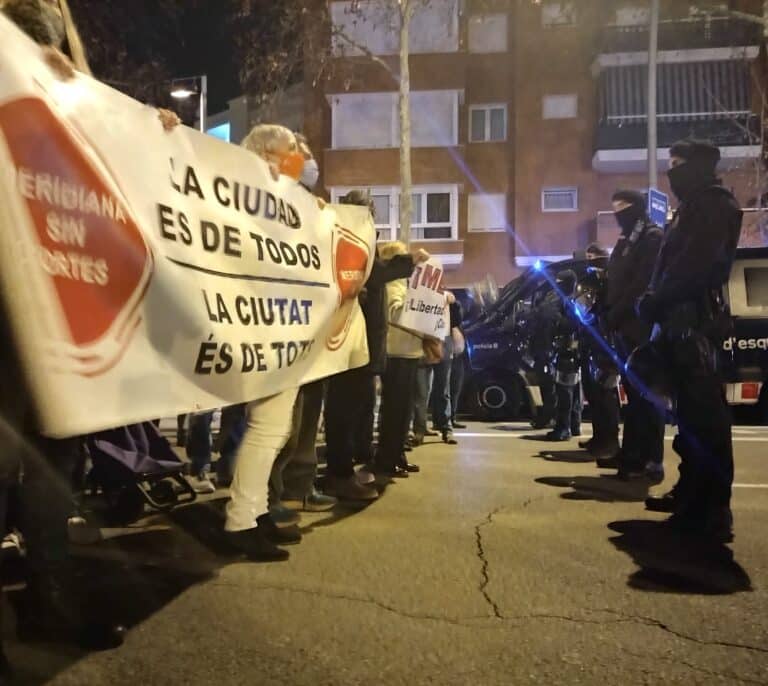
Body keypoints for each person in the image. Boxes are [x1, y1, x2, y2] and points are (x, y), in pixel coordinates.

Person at [636, 139, 742, 542]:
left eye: (679, 164)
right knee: (688, 420)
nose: (672, 172)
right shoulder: (692, 208)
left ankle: (712, 509)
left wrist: (657, 297)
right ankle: (691, 494)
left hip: (696, 323)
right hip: (678, 322)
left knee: (705, 420)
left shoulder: (715, 205)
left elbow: (697, 265)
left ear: (699, 166)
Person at [323, 191, 427, 500]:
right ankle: (338, 474)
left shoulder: (360, 242)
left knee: (356, 410)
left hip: (364, 345)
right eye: (369, 215)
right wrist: (408, 261)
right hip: (349, 342)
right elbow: (375, 273)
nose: (373, 222)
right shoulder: (347, 241)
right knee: (343, 411)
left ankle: (344, 469)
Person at [598, 190, 665, 480]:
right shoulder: (628, 239)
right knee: (633, 397)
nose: (618, 214)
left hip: (641, 327)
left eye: (622, 207)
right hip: (624, 326)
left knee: (646, 395)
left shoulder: (651, 237)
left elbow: (641, 282)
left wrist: (620, 311)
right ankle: (631, 454)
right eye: (614, 208)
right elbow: (616, 277)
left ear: (636, 208)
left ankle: (650, 460)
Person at [375, 242, 425, 477]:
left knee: (402, 412)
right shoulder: (393, 284)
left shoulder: (400, 283)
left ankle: (397, 455)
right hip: (398, 353)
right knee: (395, 411)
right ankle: (388, 459)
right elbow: (395, 312)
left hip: (407, 351)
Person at [430, 290, 459, 444]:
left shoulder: (445, 294)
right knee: (423, 390)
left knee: (443, 388)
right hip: (427, 337)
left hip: (443, 338)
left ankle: (446, 428)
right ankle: (419, 428)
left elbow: (452, 299)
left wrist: (449, 298)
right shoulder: (422, 293)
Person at [449, 295, 467, 429]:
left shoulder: (458, 324)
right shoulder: (448, 321)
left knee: (455, 389)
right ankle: (448, 418)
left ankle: (452, 416)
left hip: (458, 357)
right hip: (449, 356)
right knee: (447, 390)